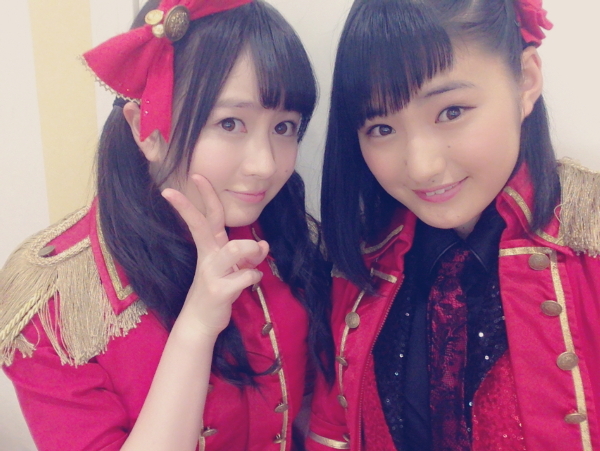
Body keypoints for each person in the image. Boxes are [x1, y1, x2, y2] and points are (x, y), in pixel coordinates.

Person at [0, 1, 334, 450]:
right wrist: (196, 327)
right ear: (147, 128)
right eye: (230, 123)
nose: (266, 165)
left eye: (285, 127)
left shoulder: (287, 238)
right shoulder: (57, 301)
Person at [307, 0, 600, 450]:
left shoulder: (588, 242)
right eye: (382, 128)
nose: (421, 167)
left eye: (451, 112)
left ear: (525, 80)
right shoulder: (363, 261)